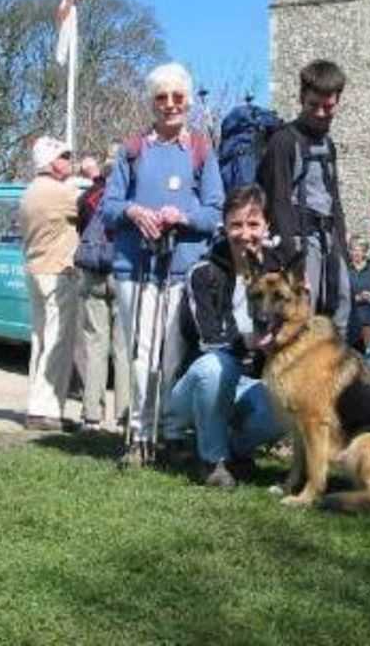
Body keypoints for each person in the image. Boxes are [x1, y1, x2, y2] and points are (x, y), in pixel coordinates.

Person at [103, 62, 223, 466]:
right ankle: (139, 434)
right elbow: (108, 207)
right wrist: (135, 212)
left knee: (173, 354)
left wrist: (181, 217)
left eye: (177, 97)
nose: (170, 104)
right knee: (142, 352)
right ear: (152, 102)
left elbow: (214, 212)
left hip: (180, 267)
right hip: (134, 266)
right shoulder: (132, 149)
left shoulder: (202, 149)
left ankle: (171, 432)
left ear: (187, 100)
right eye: (161, 97)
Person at [163, 184, 287, 488]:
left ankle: (234, 451)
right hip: (196, 383)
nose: (245, 233)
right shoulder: (202, 273)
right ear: (224, 226)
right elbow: (210, 340)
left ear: (266, 226)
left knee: (286, 404)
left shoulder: (279, 272)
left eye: (253, 224)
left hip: (249, 381)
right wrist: (252, 341)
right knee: (216, 366)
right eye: (236, 224)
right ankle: (212, 459)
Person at [257, 59, 351, 338]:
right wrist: (292, 261)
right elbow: (278, 201)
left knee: (341, 304)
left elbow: (334, 197)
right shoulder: (284, 141)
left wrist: (342, 248)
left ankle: (336, 374)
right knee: (301, 315)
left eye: (329, 106)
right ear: (301, 98)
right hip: (299, 241)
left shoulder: (328, 144)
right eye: (313, 105)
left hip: (329, 237)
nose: (321, 113)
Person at [19, 136, 81, 431]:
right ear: (50, 162)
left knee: (41, 341)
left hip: (35, 268)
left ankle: (38, 406)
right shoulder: (59, 192)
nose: (70, 160)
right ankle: (46, 410)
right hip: (57, 271)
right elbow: (93, 206)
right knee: (57, 342)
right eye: (64, 156)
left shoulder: (29, 191)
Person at [74, 153, 130, 431]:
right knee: (123, 348)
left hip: (92, 273)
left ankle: (91, 415)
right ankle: (124, 416)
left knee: (95, 346)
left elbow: (79, 229)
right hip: (123, 274)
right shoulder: (131, 198)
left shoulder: (87, 199)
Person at [346, 236, 370, 353]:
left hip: (367, 317)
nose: (355, 253)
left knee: (369, 349)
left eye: (359, 250)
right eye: (353, 249)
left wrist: (369, 296)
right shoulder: (346, 270)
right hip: (349, 317)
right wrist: (355, 298)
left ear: (364, 252)